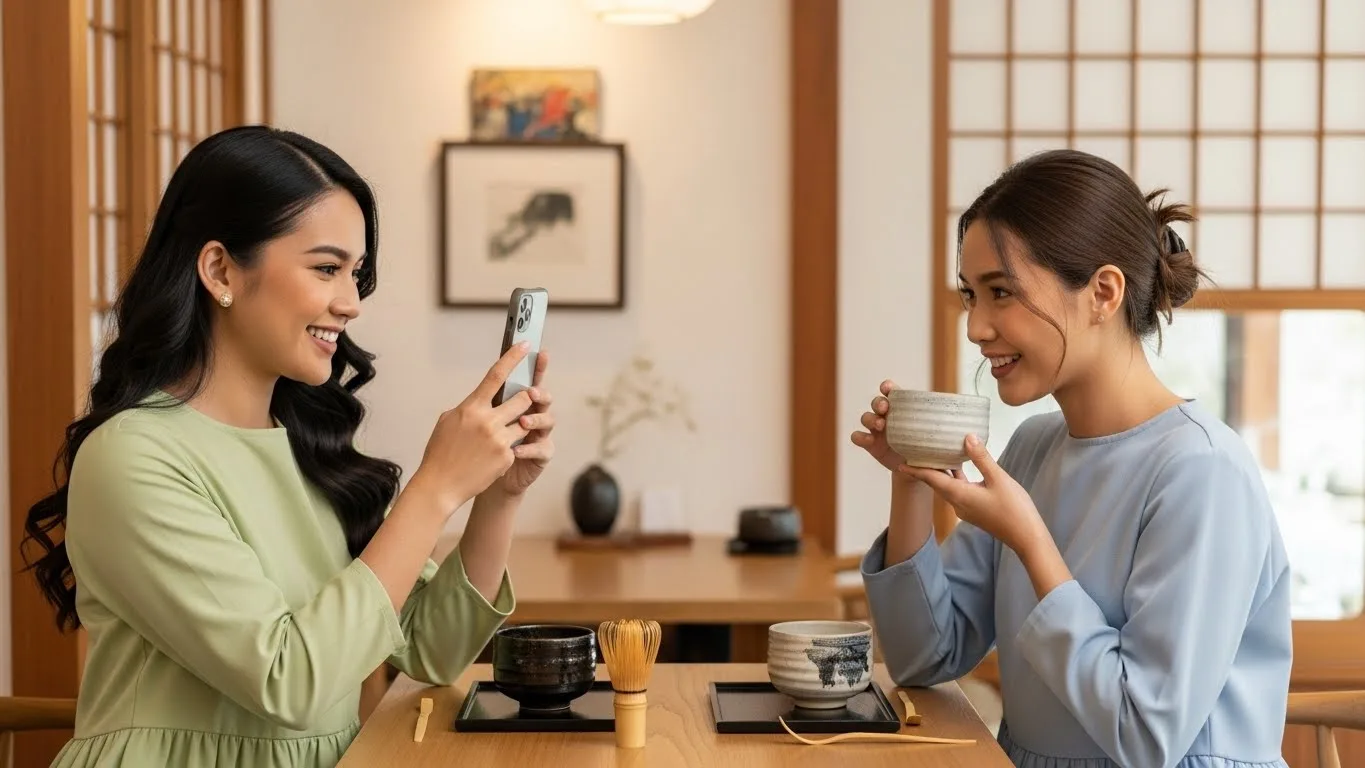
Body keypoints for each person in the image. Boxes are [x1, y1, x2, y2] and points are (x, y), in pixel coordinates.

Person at [21, 125, 555, 767]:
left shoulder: (309, 449)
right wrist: (436, 487)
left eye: (356, 275)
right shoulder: (134, 457)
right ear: (220, 269)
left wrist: (495, 495)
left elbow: (433, 649)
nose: (351, 303)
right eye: (327, 268)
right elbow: (288, 680)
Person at [852, 149, 1292, 768]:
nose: (975, 327)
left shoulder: (1202, 470)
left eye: (1000, 292)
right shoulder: (1032, 447)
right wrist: (913, 481)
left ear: (1103, 293)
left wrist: (1031, 540)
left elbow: (1147, 735)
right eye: (968, 295)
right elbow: (926, 658)